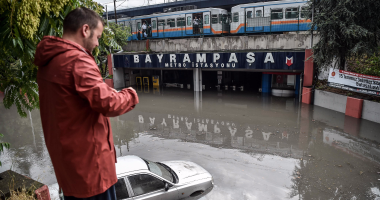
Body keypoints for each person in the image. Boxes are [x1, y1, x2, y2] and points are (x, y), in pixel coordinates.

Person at [34, 7, 139, 200]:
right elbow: (109, 104)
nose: (98, 43)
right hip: (92, 170)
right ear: (85, 30)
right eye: (98, 36)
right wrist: (130, 94)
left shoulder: (49, 61)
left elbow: (76, 102)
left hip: (70, 166)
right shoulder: (77, 60)